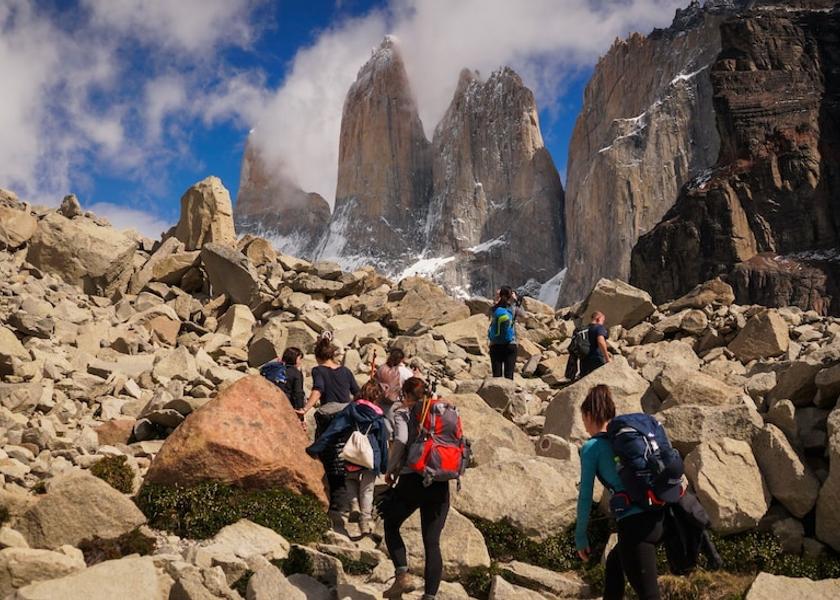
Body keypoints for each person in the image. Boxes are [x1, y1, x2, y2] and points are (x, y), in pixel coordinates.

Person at [576, 385, 663, 600]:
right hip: (659, 515)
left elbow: (585, 496)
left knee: (649, 596)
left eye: (583, 419)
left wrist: (580, 537)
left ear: (588, 415)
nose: (584, 427)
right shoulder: (628, 436)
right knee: (615, 564)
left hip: (635, 526)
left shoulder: (591, 448)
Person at [381, 378, 451, 600]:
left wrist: (391, 468)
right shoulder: (442, 411)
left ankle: (402, 575)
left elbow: (400, 440)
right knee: (432, 542)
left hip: (413, 480)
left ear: (406, 394)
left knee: (391, 524)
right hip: (439, 482)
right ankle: (429, 597)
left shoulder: (404, 412)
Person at [306, 380, 389, 536]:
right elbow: (382, 441)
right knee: (367, 489)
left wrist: (316, 447)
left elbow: (335, 429)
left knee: (350, 480)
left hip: (352, 452)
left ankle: (354, 504)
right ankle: (365, 521)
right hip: (372, 455)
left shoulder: (352, 409)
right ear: (378, 398)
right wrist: (384, 464)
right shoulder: (379, 416)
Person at [299, 333, 361, 512]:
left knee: (330, 458)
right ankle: (351, 501)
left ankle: (336, 504)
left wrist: (306, 408)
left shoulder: (319, 370)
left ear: (319, 357)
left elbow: (319, 389)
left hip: (329, 418)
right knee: (346, 457)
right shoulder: (345, 371)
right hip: (348, 417)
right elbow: (357, 393)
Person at [488, 286, 523, 379]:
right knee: (509, 376)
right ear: (510, 296)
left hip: (495, 345)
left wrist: (496, 299)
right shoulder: (513, 309)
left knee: (496, 377)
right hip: (510, 344)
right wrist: (516, 301)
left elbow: (488, 312)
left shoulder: (494, 309)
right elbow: (525, 315)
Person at [377, 348, 414, 429]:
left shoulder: (381, 368)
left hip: (380, 400)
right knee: (395, 428)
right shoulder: (405, 372)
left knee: (383, 426)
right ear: (402, 359)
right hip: (395, 403)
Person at [580, 311, 611, 377]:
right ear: (598, 319)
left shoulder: (584, 329)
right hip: (596, 359)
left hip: (583, 360)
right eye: (602, 320)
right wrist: (607, 358)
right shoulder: (599, 327)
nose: (603, 323)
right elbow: (600, 341)